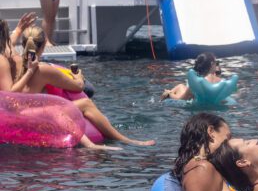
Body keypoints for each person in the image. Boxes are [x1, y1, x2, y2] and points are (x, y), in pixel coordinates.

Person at [3, 24, 154, 147]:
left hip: (17, 113)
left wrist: (17, 29)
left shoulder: (15, 62)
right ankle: (125, 140)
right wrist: (78, 76)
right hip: (32, 116)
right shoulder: (43, 69)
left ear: (23, 44)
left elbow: (8, 43)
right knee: (86, 103)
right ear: (43, 47)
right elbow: (78, 87)